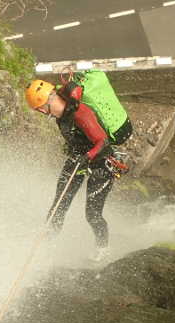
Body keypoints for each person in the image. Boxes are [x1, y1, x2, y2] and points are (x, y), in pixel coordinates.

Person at [25, 74, 133, 261]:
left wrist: (88, 157)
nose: (41, 113)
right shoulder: (61, 115)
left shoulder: (79, 112)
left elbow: (102, 142)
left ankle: (102, 248)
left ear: (44, 106)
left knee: (92, 214)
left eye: (39, 109)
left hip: (102, 163)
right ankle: (45, 244)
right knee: (59, 205)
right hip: (79, 157)